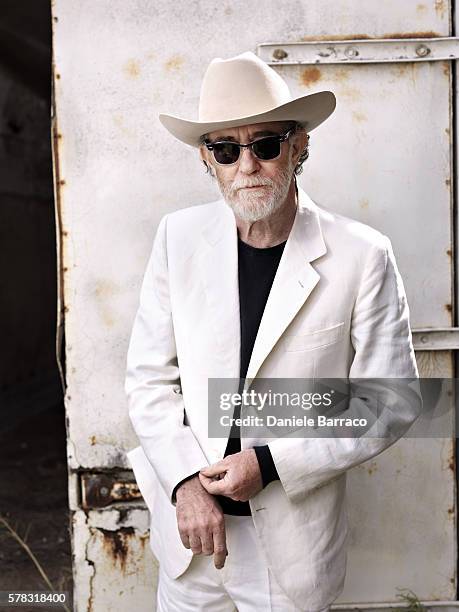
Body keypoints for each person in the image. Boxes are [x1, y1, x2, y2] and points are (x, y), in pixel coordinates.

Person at [125, 51, 420, 612]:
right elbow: (147, 381)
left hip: (291, 552)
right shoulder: (176, 238)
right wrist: (185, 482)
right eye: (226, 149)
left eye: (264, 144)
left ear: (299, 146)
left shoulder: (363, 254)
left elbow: (392, 399)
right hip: (191, 537)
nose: (246, 166)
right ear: (206, 159)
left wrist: (269, 463)